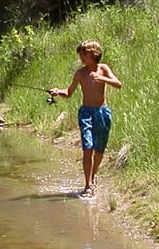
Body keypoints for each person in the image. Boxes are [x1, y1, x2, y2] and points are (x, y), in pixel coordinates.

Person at [50, 40, 122, 198]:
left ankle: (93, 175)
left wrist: (102, 79)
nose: (81, 57)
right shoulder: (80, 74)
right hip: (86, 114)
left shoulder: (103, 68)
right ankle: (88, 185)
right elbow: (69, 92)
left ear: (93, 54)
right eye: (80, 55)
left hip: (102, 113)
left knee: (99, 150)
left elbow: (118, 84)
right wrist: (57, 91)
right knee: (87, 148)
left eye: (84, 54)